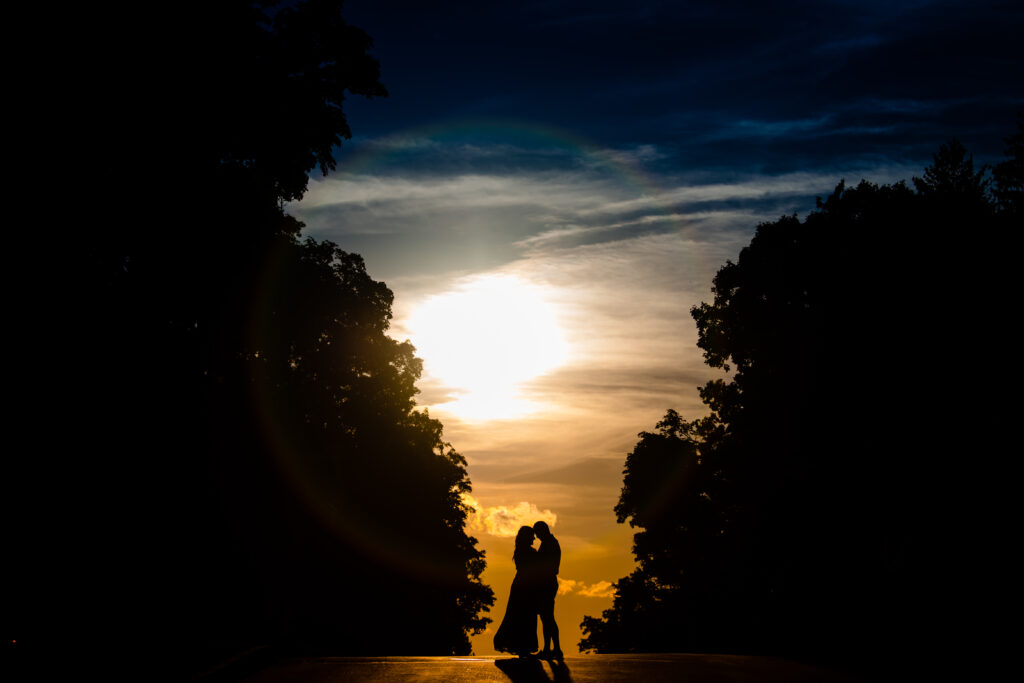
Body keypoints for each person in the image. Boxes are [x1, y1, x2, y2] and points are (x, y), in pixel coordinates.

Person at [493, 526, 540, 657]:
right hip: (525, 586)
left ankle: (522, 647)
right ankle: (522, 647)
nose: (534, 538)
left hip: (521, 585)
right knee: (523, 615)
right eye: (532, 536)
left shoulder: (520, 551)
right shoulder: (528, 552)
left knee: (520, 615)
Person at [533, 520, 562, 660]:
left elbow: (548, 566)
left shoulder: (550, 544)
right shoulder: (549, 543)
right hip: (547, 582)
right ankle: (550, 648)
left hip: (547, 582)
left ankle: (554, 648)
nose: (537, 536)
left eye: (538, 533)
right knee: (546, 617)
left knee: (548, 616)